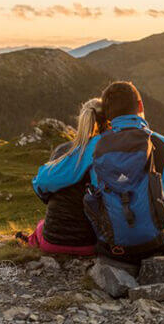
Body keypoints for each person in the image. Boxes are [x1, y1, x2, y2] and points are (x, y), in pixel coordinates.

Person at [32, 81, 164, 263]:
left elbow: (44, 180)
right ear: (140, 105)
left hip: (112, 248)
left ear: (107, 115)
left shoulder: (94, 147)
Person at [22, 98, 106, 255]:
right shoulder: (108, 153)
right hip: (90, 244)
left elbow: (44, 194)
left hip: (52, 242)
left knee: (41, 226)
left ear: (82, 121)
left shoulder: (63, 151)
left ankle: (31, 241)